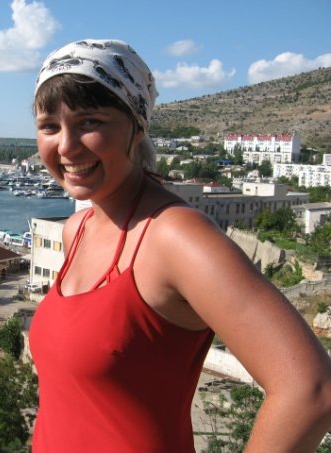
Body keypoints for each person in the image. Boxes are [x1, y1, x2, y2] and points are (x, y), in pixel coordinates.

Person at [28, 39, 331, 452]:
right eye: (49, 126)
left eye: (89, 122)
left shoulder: (176, 237)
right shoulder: (77, 229)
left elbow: (310, 389)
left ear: (137, 128)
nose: (65, 146)